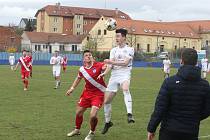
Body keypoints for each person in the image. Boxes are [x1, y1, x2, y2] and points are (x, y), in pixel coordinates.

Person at [147, 48, 210, 140]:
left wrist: (151, 129)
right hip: (191, 131)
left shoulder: (169, 82)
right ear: (197, 62)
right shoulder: (205, 85)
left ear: (181, 61)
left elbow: (159, 109)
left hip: (169, 130)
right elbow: (207, 109)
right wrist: (194, 118)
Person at [98, 28, 135, 135]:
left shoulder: (130, 49)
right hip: (114, 76)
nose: (116, 38)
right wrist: (104, 73)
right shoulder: (113, 50)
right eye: (116, 36)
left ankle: (129, 114)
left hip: (124, 73)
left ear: (124, 37)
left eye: (118, 36)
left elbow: (125, 63)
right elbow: (110, 65)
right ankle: (108, 122)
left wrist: (111, 61)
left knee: (125, 88)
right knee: (106, 101)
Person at [66, 50, 106, 140]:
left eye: (90, 55)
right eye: (86, 55)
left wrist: (106, 68)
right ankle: (77, 129)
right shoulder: (82, 69)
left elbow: (106, 67)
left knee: (93, 115)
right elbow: (78, 78)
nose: (88, 56)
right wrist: (72, 88)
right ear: (83, 58)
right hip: (87, 93)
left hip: (98, 94)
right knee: (78, 112)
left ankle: (92, 131)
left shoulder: (99, 65)